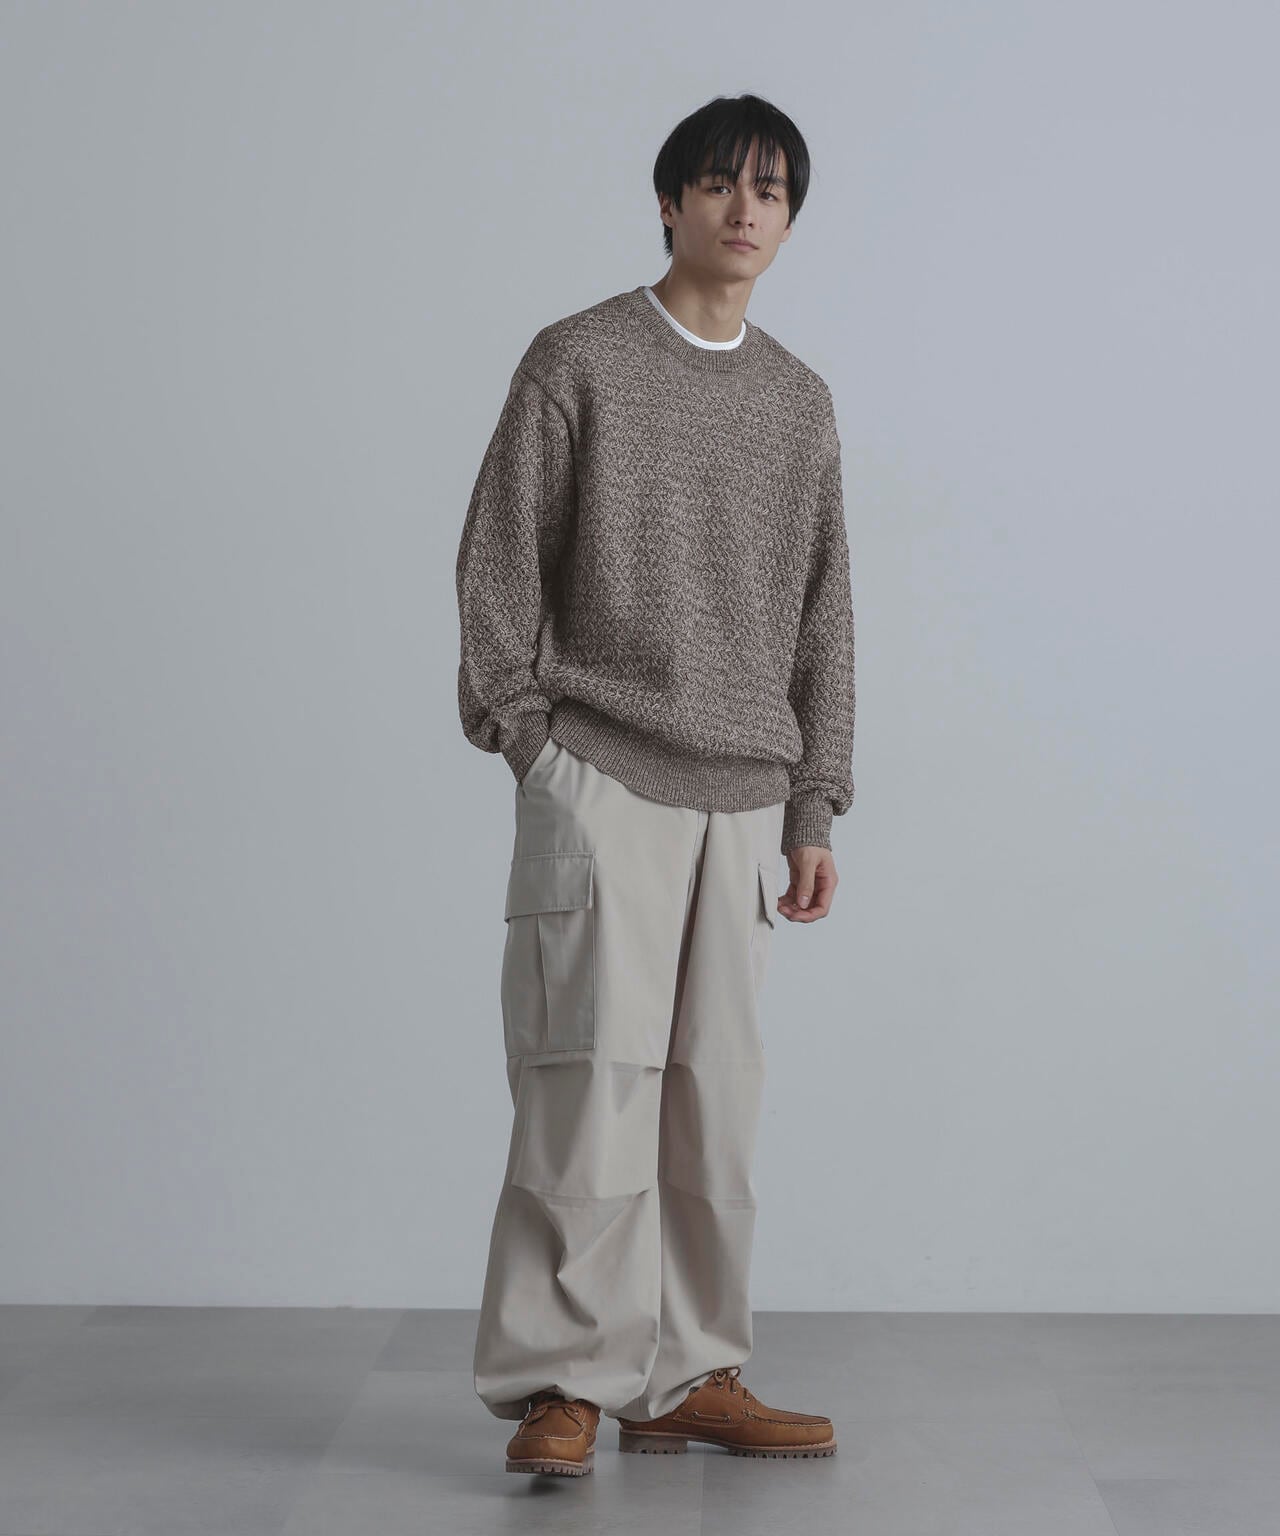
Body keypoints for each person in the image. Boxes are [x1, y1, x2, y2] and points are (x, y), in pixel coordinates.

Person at [454, 92, 855, 1476]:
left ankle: (691, 1371)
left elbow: (826, 615)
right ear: (670, 201)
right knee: (586, 1092)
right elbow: (498, 564)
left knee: (713, 1106)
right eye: (721, 183)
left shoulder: (800, 402)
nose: (746, 210)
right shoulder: (579, 360)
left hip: (746, 799)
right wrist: (534, 746)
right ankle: (562, 1381)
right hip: (605, 776)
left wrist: (815, 803)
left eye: (772, 191)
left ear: (789, 221)